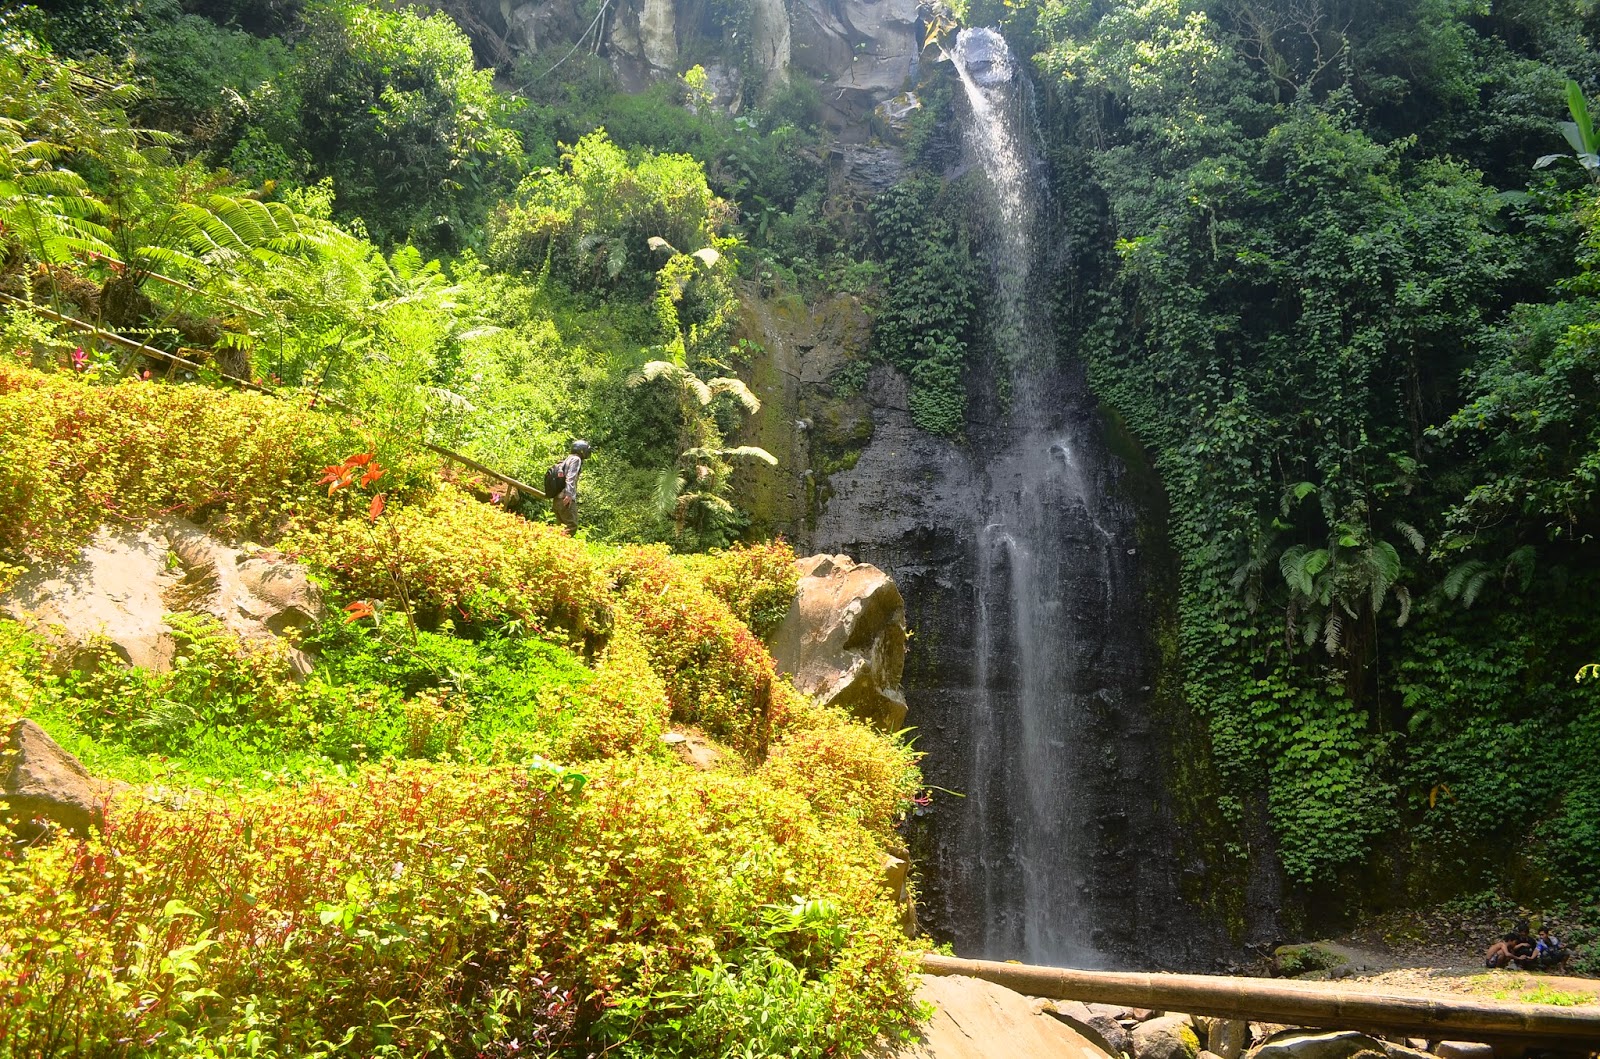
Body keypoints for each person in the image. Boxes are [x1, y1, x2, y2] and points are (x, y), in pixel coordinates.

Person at [551, 439, 589, 533]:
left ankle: (552, 544)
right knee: (571, 527)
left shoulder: (567, 458)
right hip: (565, 498)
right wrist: (568, 494)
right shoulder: (576, 459)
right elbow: (570, 477)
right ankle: (554, 543)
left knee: (560, 527)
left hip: (557, 498)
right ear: (581, 450)